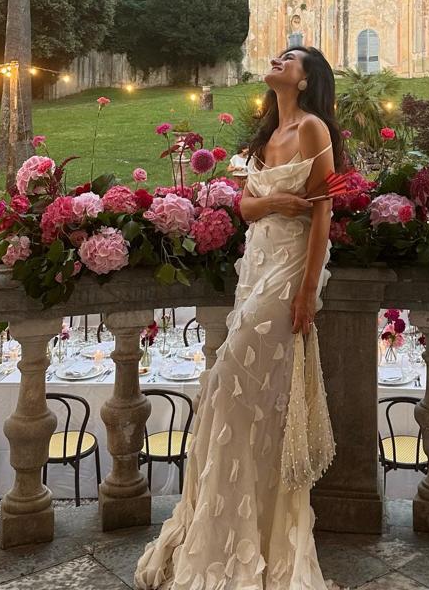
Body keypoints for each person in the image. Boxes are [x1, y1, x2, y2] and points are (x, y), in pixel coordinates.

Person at [134, 46, 345, 590]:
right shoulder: (268, 132)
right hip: (255, 267)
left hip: (289, 273)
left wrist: (305, 292)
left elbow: (324, 214)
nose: (277, 60)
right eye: (277, 55)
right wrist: (274, 203)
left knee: (234, 386)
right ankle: (229, 529)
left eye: (289, 58)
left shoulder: (313, 130)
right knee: (240, 400)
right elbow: (246, 207)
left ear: (306, 78)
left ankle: (261, 542)